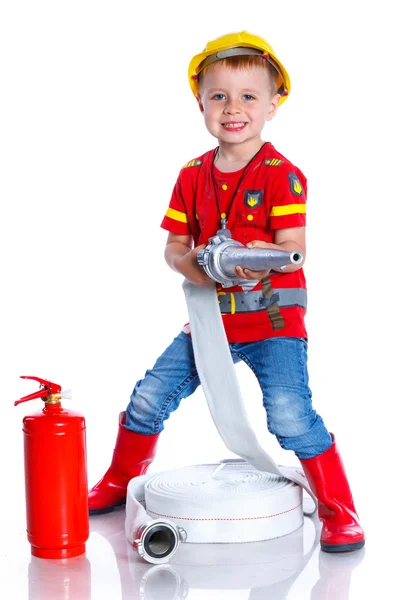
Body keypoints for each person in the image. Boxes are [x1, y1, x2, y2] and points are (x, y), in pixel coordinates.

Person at [89, 31, 365, 553]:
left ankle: (339, 510)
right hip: (209, 321)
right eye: (218, 96)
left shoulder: (285, 176)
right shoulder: (191, 174)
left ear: (273, 105)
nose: (232, 109)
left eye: (248, 97)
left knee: (290, 415)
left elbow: (292, 246)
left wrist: (255, 257)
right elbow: (175, 246)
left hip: (273, 325)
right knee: (148, 398)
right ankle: (118, 481)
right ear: (200, 103)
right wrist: (194, 267)